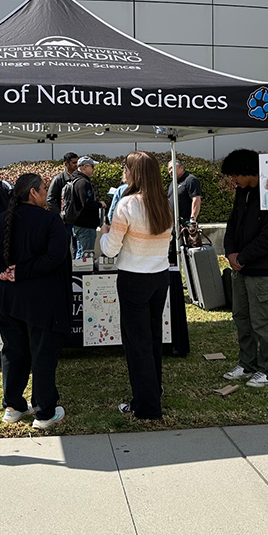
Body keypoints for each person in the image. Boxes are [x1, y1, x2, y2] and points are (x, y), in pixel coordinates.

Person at [0, 174, 70, 431]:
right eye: (43, 189)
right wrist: (20, 271)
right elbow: (57, 256)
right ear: (33, 193)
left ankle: (13, 406)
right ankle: (44, 412)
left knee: (13, 352)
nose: (46, 194)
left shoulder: (0, 220)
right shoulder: (50, 220)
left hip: (7, 299)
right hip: (40, 300)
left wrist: (1, 271)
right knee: (42, 354)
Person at [100, 152, 174, 418]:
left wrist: (104, 233)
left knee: (137, 343)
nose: (124, 172)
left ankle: (146, 405)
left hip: (134, 278)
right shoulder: (164, 203)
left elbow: (110, 250)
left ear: (135, 172)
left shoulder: (127, 204)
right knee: (153, 337)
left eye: (126, 168)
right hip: (159, 276)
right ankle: (153, 390)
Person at [219, 148, 268, 388]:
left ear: (248, 171)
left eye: (235, 175)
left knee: (263, 322)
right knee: (242, 318)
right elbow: (233, 223)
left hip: (261, 269)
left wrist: (243, 257)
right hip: (240, 268)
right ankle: (247, 363)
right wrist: (231, 252)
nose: (233, 180)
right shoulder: (241, 192)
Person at [68, 156, 105, 259]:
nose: (93, 170)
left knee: (80, 251)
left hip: (77, 223)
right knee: (85, 255)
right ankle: (80, 274)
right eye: (92, 167)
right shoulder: (83, 183)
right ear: (85, 167)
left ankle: (78, 273)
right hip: (86, 225)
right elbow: (87, 204)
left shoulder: (75, 180)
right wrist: (100, 204)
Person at [167, 158, 202, 225]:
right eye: (169, 169)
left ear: (181, 168)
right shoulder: (173, 183)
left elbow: (196, 199)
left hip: (186, 223)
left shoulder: (190, 180)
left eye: (172, 168)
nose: (170, 171)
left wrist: (193, 218)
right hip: (173, 223)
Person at [46, 152, 79, 217]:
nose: (76, 165)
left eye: (77, 162)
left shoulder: (80, 178)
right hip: (65, 221)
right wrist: (60, 215)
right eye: (74, 163)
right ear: (66, 164)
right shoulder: (58, 179)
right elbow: (50, 199)